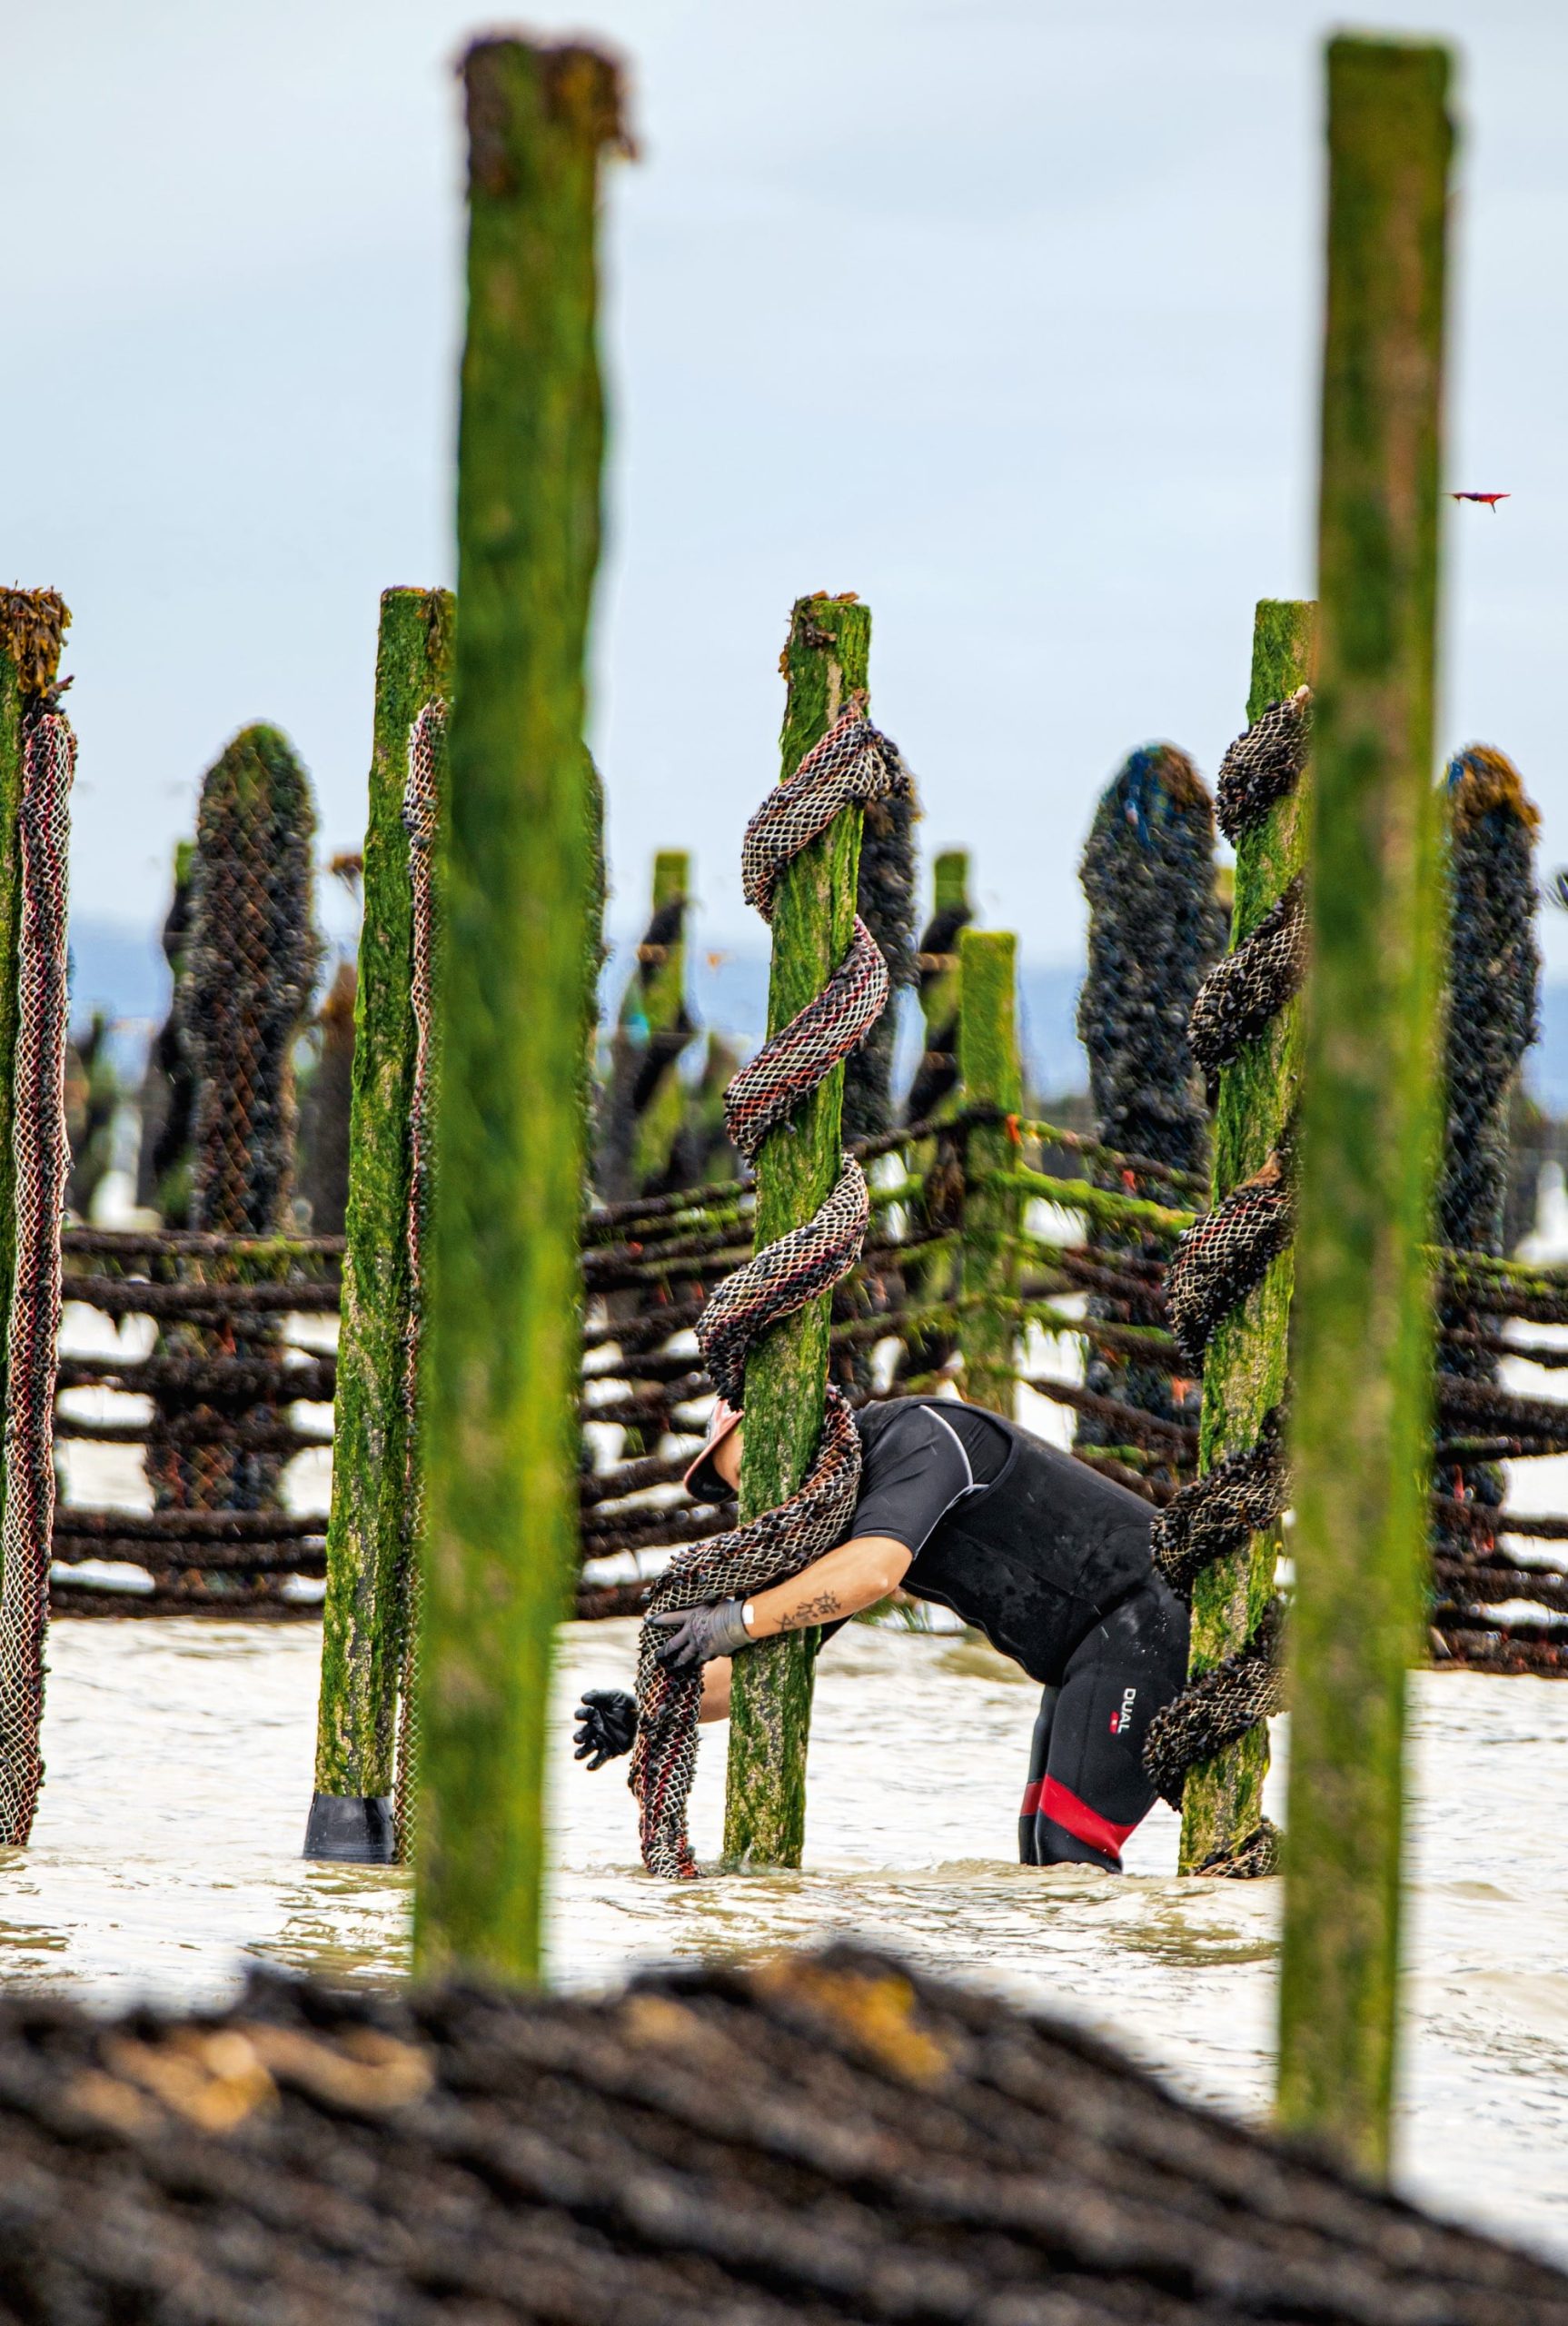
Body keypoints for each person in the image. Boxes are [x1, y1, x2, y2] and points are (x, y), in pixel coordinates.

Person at [573, 1394, 1189, 1873]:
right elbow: (755, 1675)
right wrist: (647, 1712)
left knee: (1068, 1853)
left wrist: (736, 1620)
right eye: (747, 1494)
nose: (765, 1505)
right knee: (1044, 1856)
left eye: (758, 1472)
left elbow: (875, 1572)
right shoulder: (837, 1529)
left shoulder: (916, 1434)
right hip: (1088, 1650)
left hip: (1147, 1614)